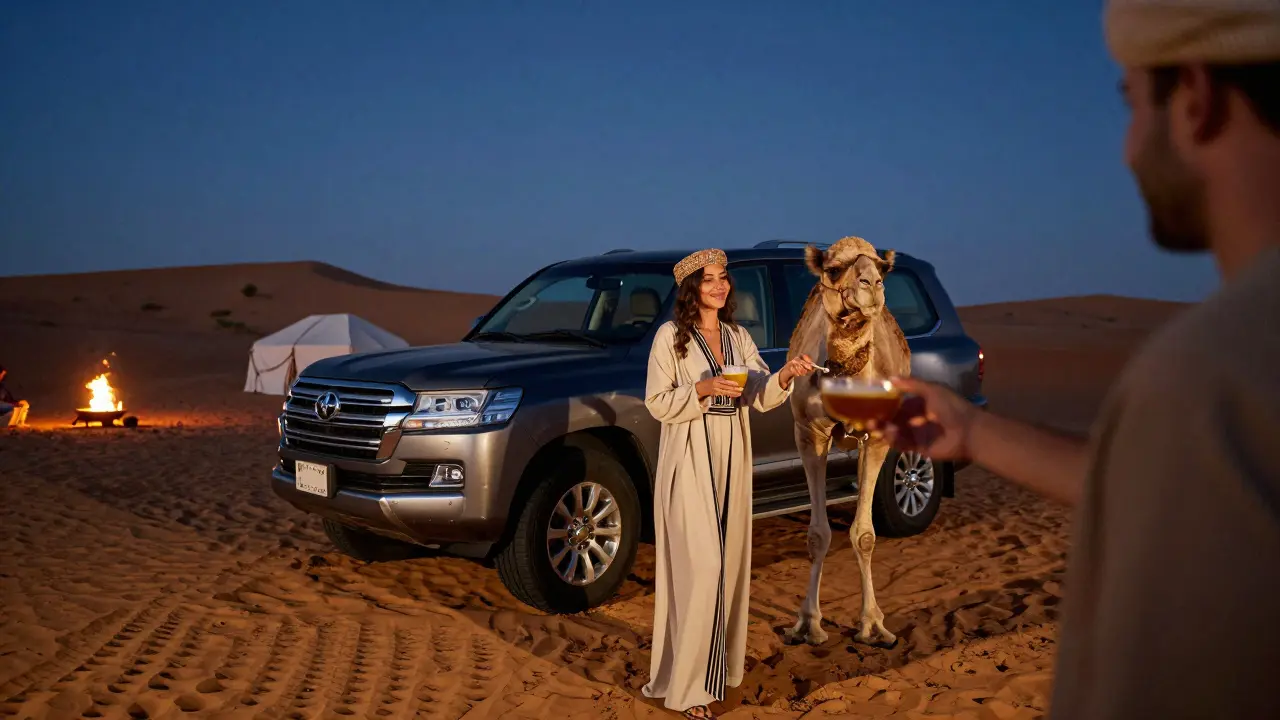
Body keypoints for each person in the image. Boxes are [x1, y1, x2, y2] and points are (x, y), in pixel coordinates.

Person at [878, 1, 1280, 717]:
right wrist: (971, 432)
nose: (1126, 147)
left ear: (1195, 97)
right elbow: (1157, 482)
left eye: (1131, 102)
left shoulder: (1210, 373)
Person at [642, 249, 815, 719]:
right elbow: (656, 402)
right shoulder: (670, 339)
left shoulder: (738, 337)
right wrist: (701, 389)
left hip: (732, 458)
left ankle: (712, 676)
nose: (719, 287)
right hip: (689, 459)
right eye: (709, 280)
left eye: (723, 279)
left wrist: (786, 374)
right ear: (690, 289)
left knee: (725, 570)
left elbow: (758, 391)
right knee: (701, 571)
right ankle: (688, 691)